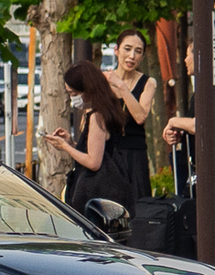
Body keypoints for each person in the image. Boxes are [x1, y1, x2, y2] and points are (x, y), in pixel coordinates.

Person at [162, 38, 215, 266]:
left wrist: (174, 121)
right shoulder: (201, 90)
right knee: (206, 224)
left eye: (189, 54)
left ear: (202, 58)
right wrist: (178, 133)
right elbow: (194, 128)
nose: (185, 60)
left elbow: (202, 125)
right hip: (203, 169)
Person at [45, 59, 143, 213]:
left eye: (74, 94)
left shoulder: (97, 116)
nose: (73, 99)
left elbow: (93, 162)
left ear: (88, 90)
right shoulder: (107, 109)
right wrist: (71, 143)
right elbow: (99, 150)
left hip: (94, 195)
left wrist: (65, 147)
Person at [106, 31, 159, 130]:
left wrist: (121, 85)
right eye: (127, 49)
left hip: (133, 143)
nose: (132, 56)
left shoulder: (148, 83)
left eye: (138, 51)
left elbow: (140, 117)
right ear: (116, 50)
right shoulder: (102, 80)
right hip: (104, 143)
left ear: (143, 57)